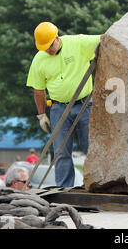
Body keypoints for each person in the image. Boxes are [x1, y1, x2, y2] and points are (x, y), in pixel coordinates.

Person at [26, 22, 102, 187]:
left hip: (84, 105)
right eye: (44, 48)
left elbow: (105, 40)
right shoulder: (39, 60)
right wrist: (41, 115)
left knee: (91, 147)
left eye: (50, 46)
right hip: (59, 108)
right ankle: (64, 187)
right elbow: (38, 90)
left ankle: (96, 184)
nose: (48, 50)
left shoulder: (78, 43)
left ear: (57, 38)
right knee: (61, 151)